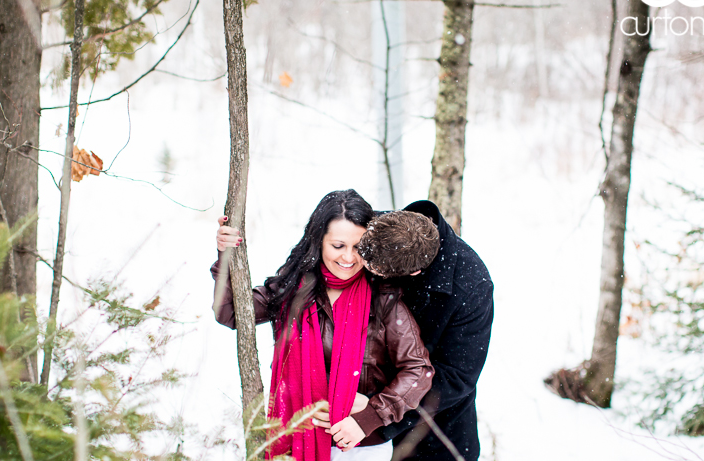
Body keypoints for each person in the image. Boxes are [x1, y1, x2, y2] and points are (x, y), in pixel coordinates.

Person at [211, 190, 434, 461]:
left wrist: (370, 416)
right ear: (318, 243)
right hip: (292, 439)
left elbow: (418, 370)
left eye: (358, 247)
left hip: (357, 448)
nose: (349, 258)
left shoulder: (383, 298)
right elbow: (232, 313)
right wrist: (226, 258)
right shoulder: (291, 289)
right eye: (338, 246)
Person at [357, 202, 494, 461]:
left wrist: (379, 413)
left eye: (373, 271)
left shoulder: (471, 286)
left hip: (430, 432)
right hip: (352, 413)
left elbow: (456, 377)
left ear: (411, 274)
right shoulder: (376, 231)